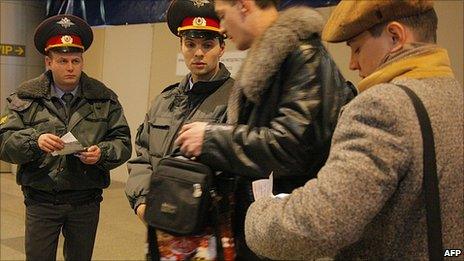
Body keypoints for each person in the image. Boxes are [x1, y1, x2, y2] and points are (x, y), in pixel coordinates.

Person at [244, 0, 464, 260]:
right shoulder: (453, 95)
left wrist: (259, 213)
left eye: (357, 49)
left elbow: (318, 225)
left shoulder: (383, 107)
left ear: (395, 37)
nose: (352, 64)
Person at [175, 0, 354, 259]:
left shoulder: (304, 58)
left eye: (224, 16)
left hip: (288, 231)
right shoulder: (279, 61)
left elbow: (293, 146)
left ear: (244, 7)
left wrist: (211, 138)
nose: (223, 28)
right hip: (265, 227)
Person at [0, 14, 132, 260]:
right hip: (41, 199)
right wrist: (34, 141)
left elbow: (122, 141)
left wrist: (101, 153)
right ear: (48, 62)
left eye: (76, 60)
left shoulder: (103, 98)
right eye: (62, 60)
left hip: (85, 199)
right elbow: (4, 142)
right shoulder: (25, 97)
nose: (70, 67)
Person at [124, 0, 234, 259]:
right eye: (191, 44)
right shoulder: (165, 100)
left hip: (209, 229)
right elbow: (142, 155)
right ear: (181, 46)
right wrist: (141, 202)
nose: (198, 53)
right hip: (161, 223)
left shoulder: (238, 99)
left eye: (207, 45)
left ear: (222, 48)